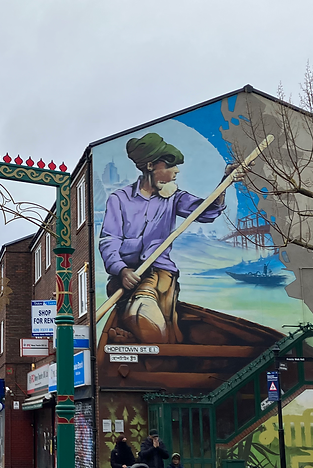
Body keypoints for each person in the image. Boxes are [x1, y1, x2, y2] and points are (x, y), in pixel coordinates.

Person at [99, 133, 231, 344]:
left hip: (160, 276)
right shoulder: (119, 199)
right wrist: (122, 270)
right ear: (150, 165)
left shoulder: (175, 198)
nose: (176, 171)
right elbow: (109, 241)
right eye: (170, 165)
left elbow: (206, 212)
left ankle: (140, 333)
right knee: (144, 318)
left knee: (148, 317)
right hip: (126, 280)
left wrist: (225, 184)